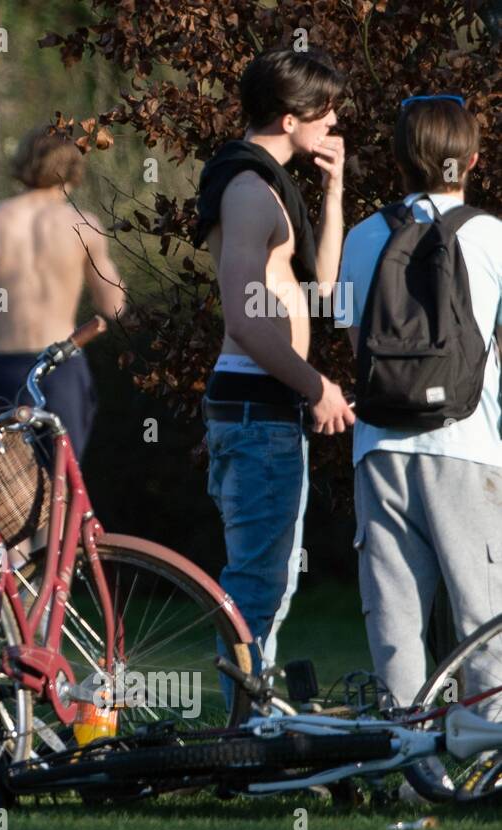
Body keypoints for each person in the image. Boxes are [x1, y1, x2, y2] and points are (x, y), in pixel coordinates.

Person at [337, 96, 502, 719]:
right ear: (473, 160)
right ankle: (490, 748)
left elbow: (357, 346)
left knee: (395, 615)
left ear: (400, 159)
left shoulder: (361, 238)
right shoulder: (493, 237)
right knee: (484, 613)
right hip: (469, 445)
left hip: (379, 447)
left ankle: (407, 754)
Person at [194, 48, 353, 688]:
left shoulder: (266, 188)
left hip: (265, 407)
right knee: (258, 585)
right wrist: (316, 386)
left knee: (271, 581)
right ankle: (243, 723)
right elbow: (244, 317)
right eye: (326, 110)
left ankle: (249, 713)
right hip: (257, 406)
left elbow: (325, 288)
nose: (333, 121)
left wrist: (334, 191)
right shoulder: (249, 192)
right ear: (291, 119)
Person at [0, 123, 125, 461]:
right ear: (73, 168)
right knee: (62, 477)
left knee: (4, 481)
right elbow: (113, 305)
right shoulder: (84, 225)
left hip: (3, 366)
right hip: (61, 366)